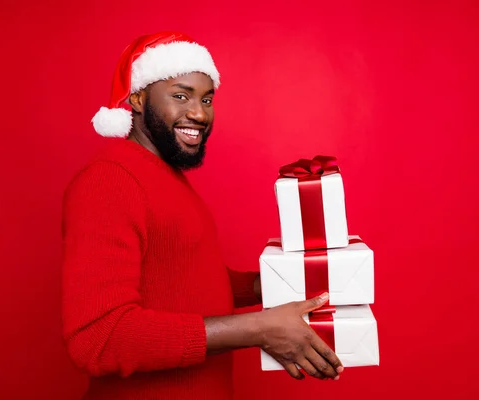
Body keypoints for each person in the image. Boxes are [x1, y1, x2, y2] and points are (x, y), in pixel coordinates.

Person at [61, 31, 344, 400]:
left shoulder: (162, 175)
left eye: (207, 98)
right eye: (181, 95)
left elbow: (182, 277)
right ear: (138, 98)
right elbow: (98, 339)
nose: (199, 113)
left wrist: (274, 284)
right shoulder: (110, 179)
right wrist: (257, 329)